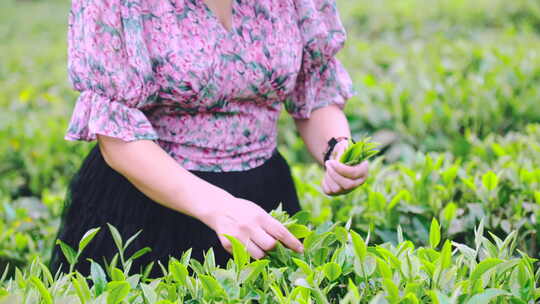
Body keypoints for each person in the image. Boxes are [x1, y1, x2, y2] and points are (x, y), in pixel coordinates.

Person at [48, 0, 369, 278]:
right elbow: (115, 132)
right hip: (148, 206)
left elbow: (313, 85)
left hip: (262, 200)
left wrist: (336, 147)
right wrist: (219, 208)